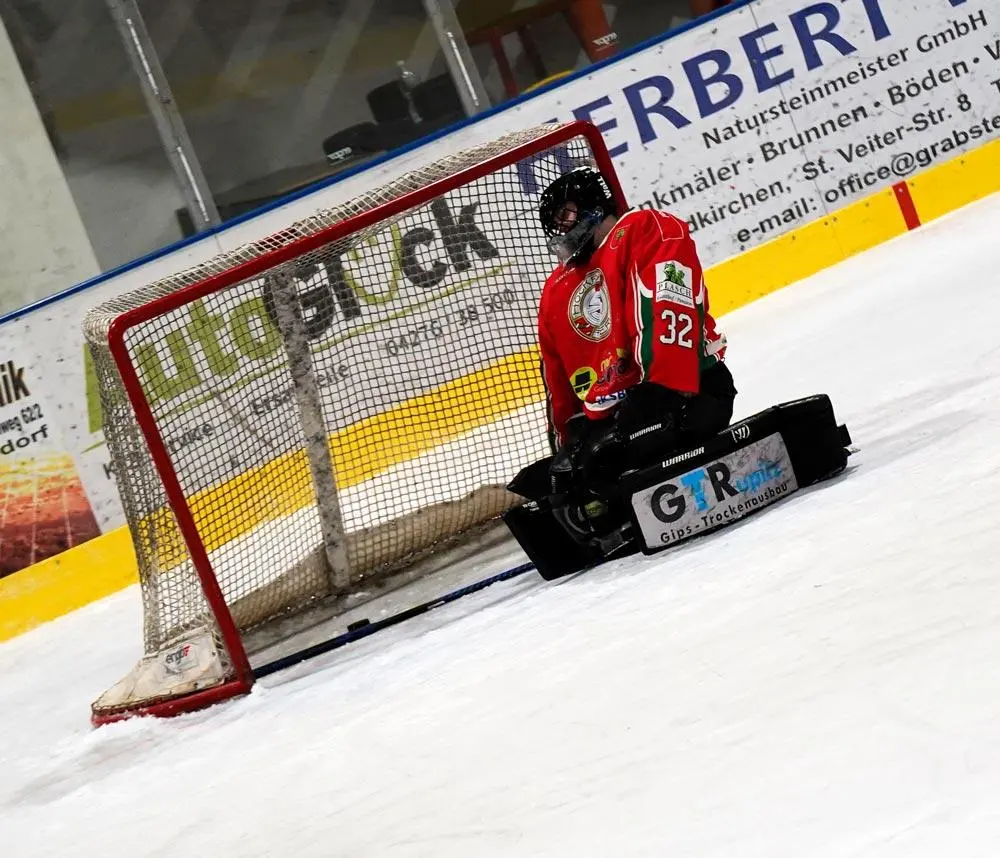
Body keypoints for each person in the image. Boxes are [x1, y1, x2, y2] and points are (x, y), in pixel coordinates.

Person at [536, 167, 736, 487]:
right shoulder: (555, 287)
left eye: (565, 214)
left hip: (687, 391)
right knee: (566, 475)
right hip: (615, 417)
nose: (560, 228)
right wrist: (568, 437)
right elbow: (555, 377)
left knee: (619, 450)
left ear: (593, 202)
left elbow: (666, 302)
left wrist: (662, 389)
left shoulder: (641, 227)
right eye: (554, 223)